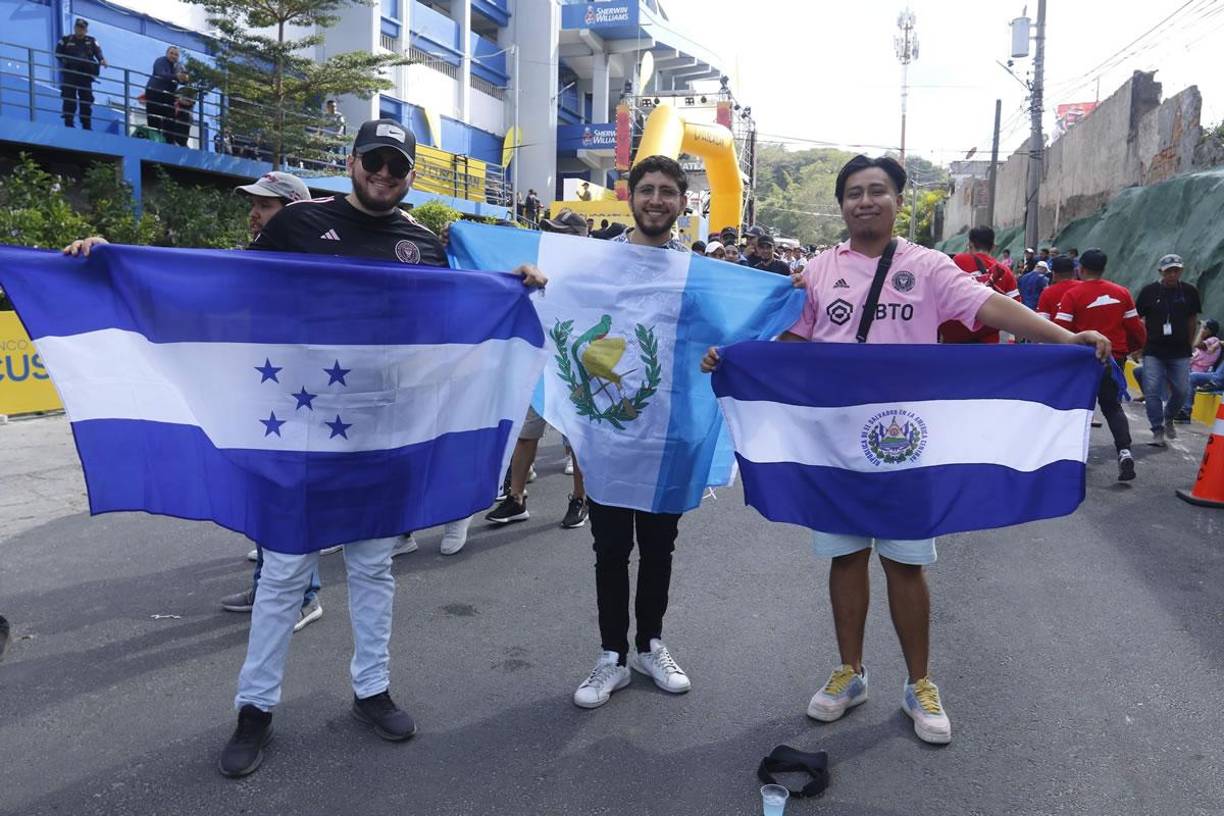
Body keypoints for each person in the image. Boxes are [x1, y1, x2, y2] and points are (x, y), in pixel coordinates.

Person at [705, 154, 1108, 746]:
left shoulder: (928, 266)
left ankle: (919, 682)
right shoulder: (817, 271)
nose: (864, 201)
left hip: (907, 441)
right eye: (854, 194)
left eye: (877, 192)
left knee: (906, 562)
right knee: (845, 558)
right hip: (837, 445)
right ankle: (851, 672)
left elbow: (992, 307)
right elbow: (792, 340)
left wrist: (1067, 337)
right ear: (841, 205)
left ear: (897, 201)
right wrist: (735, 356)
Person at [572, 155, 695, 711]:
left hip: (668, 432)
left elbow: (724, 328)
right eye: (647, 189)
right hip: (611, 432)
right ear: (629, 196)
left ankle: (650, 644)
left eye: (668, 191)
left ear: (682, 202)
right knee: (610, 549)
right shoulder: (597, 263)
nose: (656, 200)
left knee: (659, 547)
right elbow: (559, 303)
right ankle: (610, 656)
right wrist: (524, 277)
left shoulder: (697, 270)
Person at [487, 208, 590, 531]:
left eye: (562, 231)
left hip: (577, 366)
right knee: (526, 432)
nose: (553, 235)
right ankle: (516, 498)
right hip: (541, 361)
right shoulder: (539, 264)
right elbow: (501, 276)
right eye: (551, 230)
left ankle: (581, 499)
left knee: (576, 436)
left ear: (581, 237)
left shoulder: (595, 272)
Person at [1054, 249, 1145, 480]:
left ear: (1080, 269)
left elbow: (1060, 331)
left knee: (1077, 409)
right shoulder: (1122, 293)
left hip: (1082, 361)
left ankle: (1071, 458)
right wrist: (1129, 348)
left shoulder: (1073, 294)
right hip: (1114, 359)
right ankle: (1124, 452)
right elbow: (1136, 329)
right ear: (1104, 269)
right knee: (1113, 407)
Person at [1135, 253, 1201, 446]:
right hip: (1153, 349)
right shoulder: (1149, 291)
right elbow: (1138, 319)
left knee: (1182, 390)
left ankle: (1169, 417)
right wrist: (1138, 344)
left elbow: (1192, 320)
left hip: (1179, 351)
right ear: (1161, 272)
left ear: (1181, 271)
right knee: (1152, 390)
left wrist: (1189, 344)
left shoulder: (1189, 291)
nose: (1172, 274)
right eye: (1168, 271)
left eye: (1176, 270)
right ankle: (1157, 429)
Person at [941, 225, 1020, 344]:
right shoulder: (1004, 271)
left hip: (955, 341)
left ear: (970, 244)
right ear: (993, 247)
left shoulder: (957, 262)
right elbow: (1016, 310)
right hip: (988, 343)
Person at [55, 19, 106, 130]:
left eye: (82, 28)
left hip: (85, 76)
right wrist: (66, 60)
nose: (79, 29)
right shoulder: (66, 40)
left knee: (86, 100)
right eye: (77, 27)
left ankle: (86, 125)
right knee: (69, 98)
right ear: (74, 28)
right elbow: (58, 52)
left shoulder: (91, 41)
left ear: (86, 30)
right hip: (70, 74)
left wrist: (102, 60)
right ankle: (69, 123)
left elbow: (98, 52)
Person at [1179, 319, 1222, 419]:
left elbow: (1196, 344)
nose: (1202, 329)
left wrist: (1200, 331)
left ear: (1210, 331)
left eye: (1205, 328)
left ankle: (1183, 409)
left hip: (1199, 370)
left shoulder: (1213, 340)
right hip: (1195, 369)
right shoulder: (1212, 341)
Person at [146, 46, 188, 139]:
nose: (173, 56)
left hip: (168, 95)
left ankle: (169, 140)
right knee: (154, 119)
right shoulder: (161, 61)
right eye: (171, 53)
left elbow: (184, 79)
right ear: (167, 53)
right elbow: (161, 74)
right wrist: (177, 77)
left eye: (176, 54)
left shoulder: (179, 66)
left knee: (170, 120)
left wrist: (184, 78)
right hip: (155, 93)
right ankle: (155, 138)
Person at [1035, 256, 1079, 321]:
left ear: (1054, 273)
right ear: (1074, 272)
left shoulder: (1047, 293)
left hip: (1056, 330)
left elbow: (1042, 321)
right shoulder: (1085, 288)